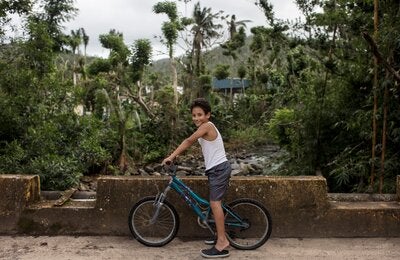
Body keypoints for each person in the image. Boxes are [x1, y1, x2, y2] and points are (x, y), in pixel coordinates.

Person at [162, 98, 232, 258]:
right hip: (215, 170)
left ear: (208, 115)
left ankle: (222, 241)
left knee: (215, 204)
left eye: (200, 114)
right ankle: (220, 235)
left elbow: (188, 141)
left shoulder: (207, 126)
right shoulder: (204, 127)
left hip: (219, 169)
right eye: (194, 115)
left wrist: (171, 157)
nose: (196, 118)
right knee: (214, 204)